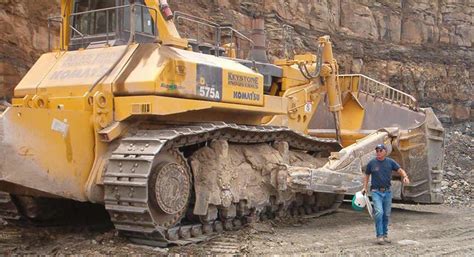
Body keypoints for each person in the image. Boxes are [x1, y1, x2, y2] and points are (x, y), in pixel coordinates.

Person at [362, 144, 410, 245]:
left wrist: (405, 176)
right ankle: (379, 236)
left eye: (380, 150)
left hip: (387, 192)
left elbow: (400, 170)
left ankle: (385, 235)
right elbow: (366, 175)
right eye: (377, 151)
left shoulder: (390, 162)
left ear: (385, 151)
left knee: (386, 214)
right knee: (379, 212)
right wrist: (365, 187)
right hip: (376, 192)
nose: (378, 153)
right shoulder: (372, 163)